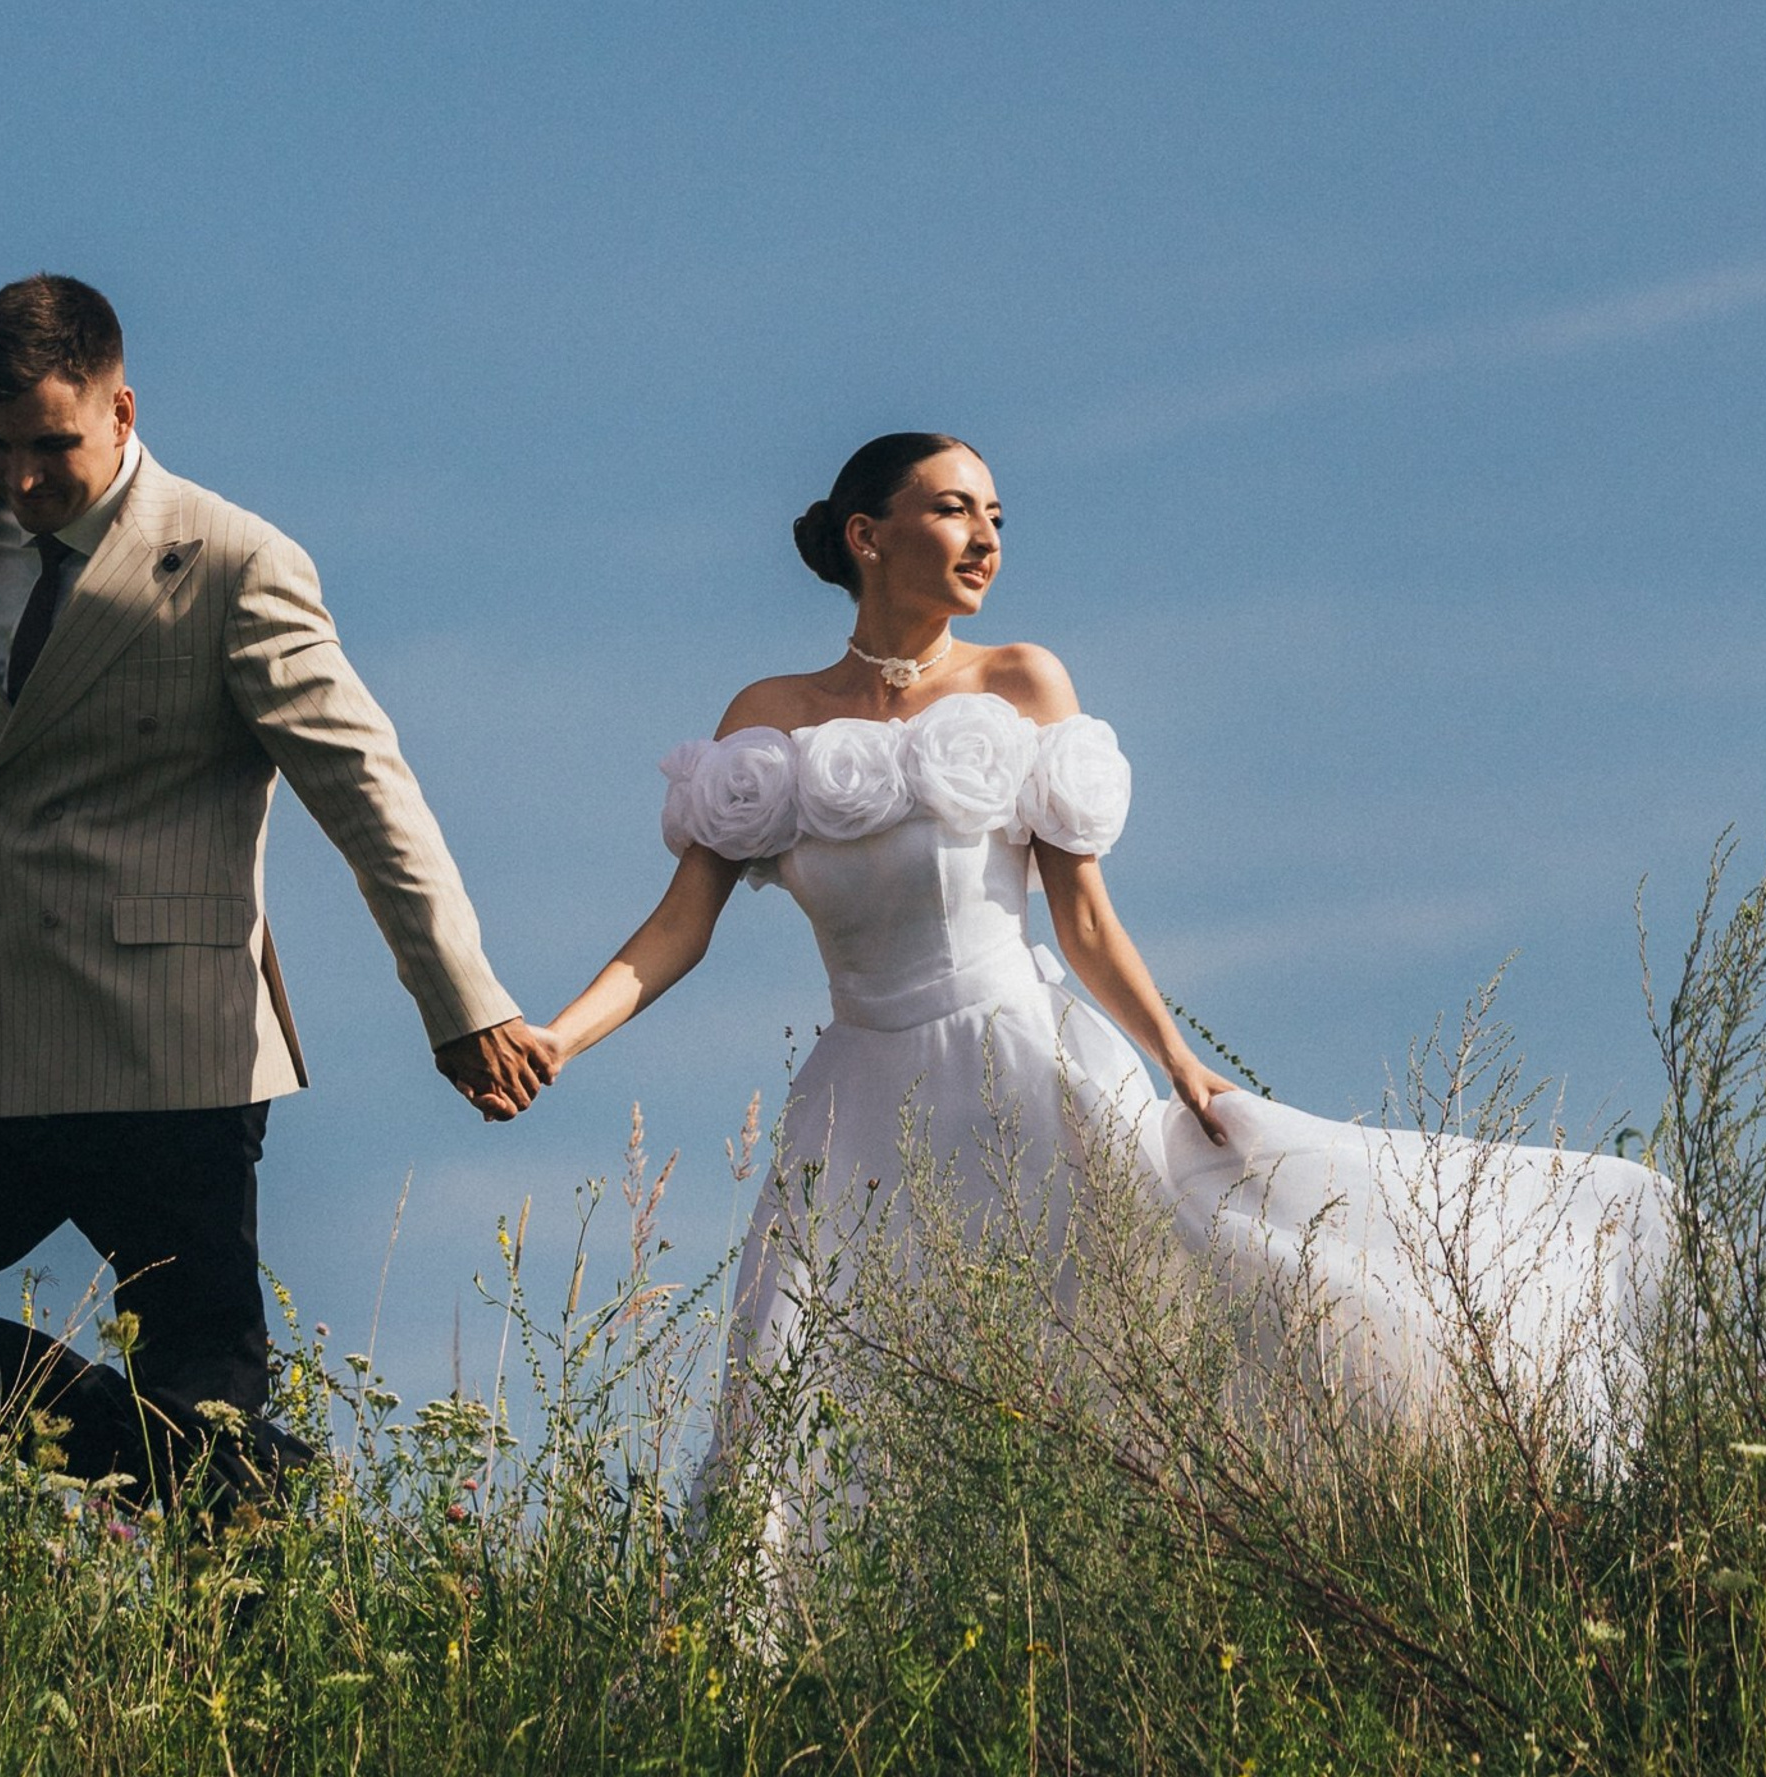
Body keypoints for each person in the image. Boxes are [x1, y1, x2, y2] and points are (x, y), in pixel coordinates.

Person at [527, 430, 1669, 1522]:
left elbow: (1082, 921)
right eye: (953, 508)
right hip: (855, 1105)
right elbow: (677, 927)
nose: (985, 537)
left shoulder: (1021, 680)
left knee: (1134, 1327)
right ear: (866, 537)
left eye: (996, 515)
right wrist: (553, 1042)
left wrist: (1179, 1064)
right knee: (803, 1364)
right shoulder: (765, 718)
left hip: (1024, 1070)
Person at [0, 272, 551, 1504]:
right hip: (3, 1048)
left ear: (123, 407)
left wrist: (460, 999)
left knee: (201, 1375)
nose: (22, 478)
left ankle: (242, 1601)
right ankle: (228, 1477)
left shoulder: (235, 562)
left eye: (52, 446)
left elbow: (369, 796)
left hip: (176, 1061)